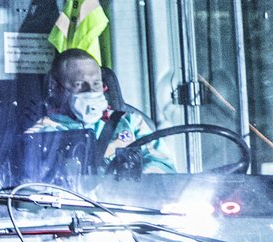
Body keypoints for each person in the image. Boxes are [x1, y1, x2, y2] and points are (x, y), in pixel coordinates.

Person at [24, 48, 174, 175]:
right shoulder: (42, 133)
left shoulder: (131, 123)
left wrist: (130, 183)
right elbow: (31, 180)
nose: (90, 91)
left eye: (96, 84)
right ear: (57, 88)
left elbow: (164, 166)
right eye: (79, 84)